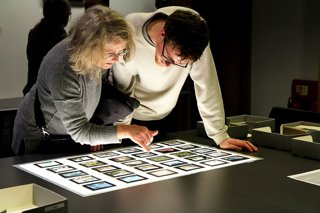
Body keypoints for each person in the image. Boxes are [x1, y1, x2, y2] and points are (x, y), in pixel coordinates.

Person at [12, 5, 158, 155]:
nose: (116, 58)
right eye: (111, 53)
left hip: (67, 134)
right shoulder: (63, 69)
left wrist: (97, 133)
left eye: (121, 51)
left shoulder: (96, 55)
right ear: (90, 46)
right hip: (39, 137)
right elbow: (79, 131)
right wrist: (125, 131)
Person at [111, 6, 258, 152]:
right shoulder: (129, 33)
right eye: (167, 57)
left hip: (167, 115)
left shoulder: (194, 30)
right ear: (163, 33)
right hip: (132, 118)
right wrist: (117, 135)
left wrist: (220, 135)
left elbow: (206, 84)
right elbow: (122, 94)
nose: (168, 66)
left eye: (179, 64)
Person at [23, 0, 71, 96]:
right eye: (68, 14)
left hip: (32, 90)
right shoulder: (62, 39)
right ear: (63, 16)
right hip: (49, 94)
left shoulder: (34, 32)